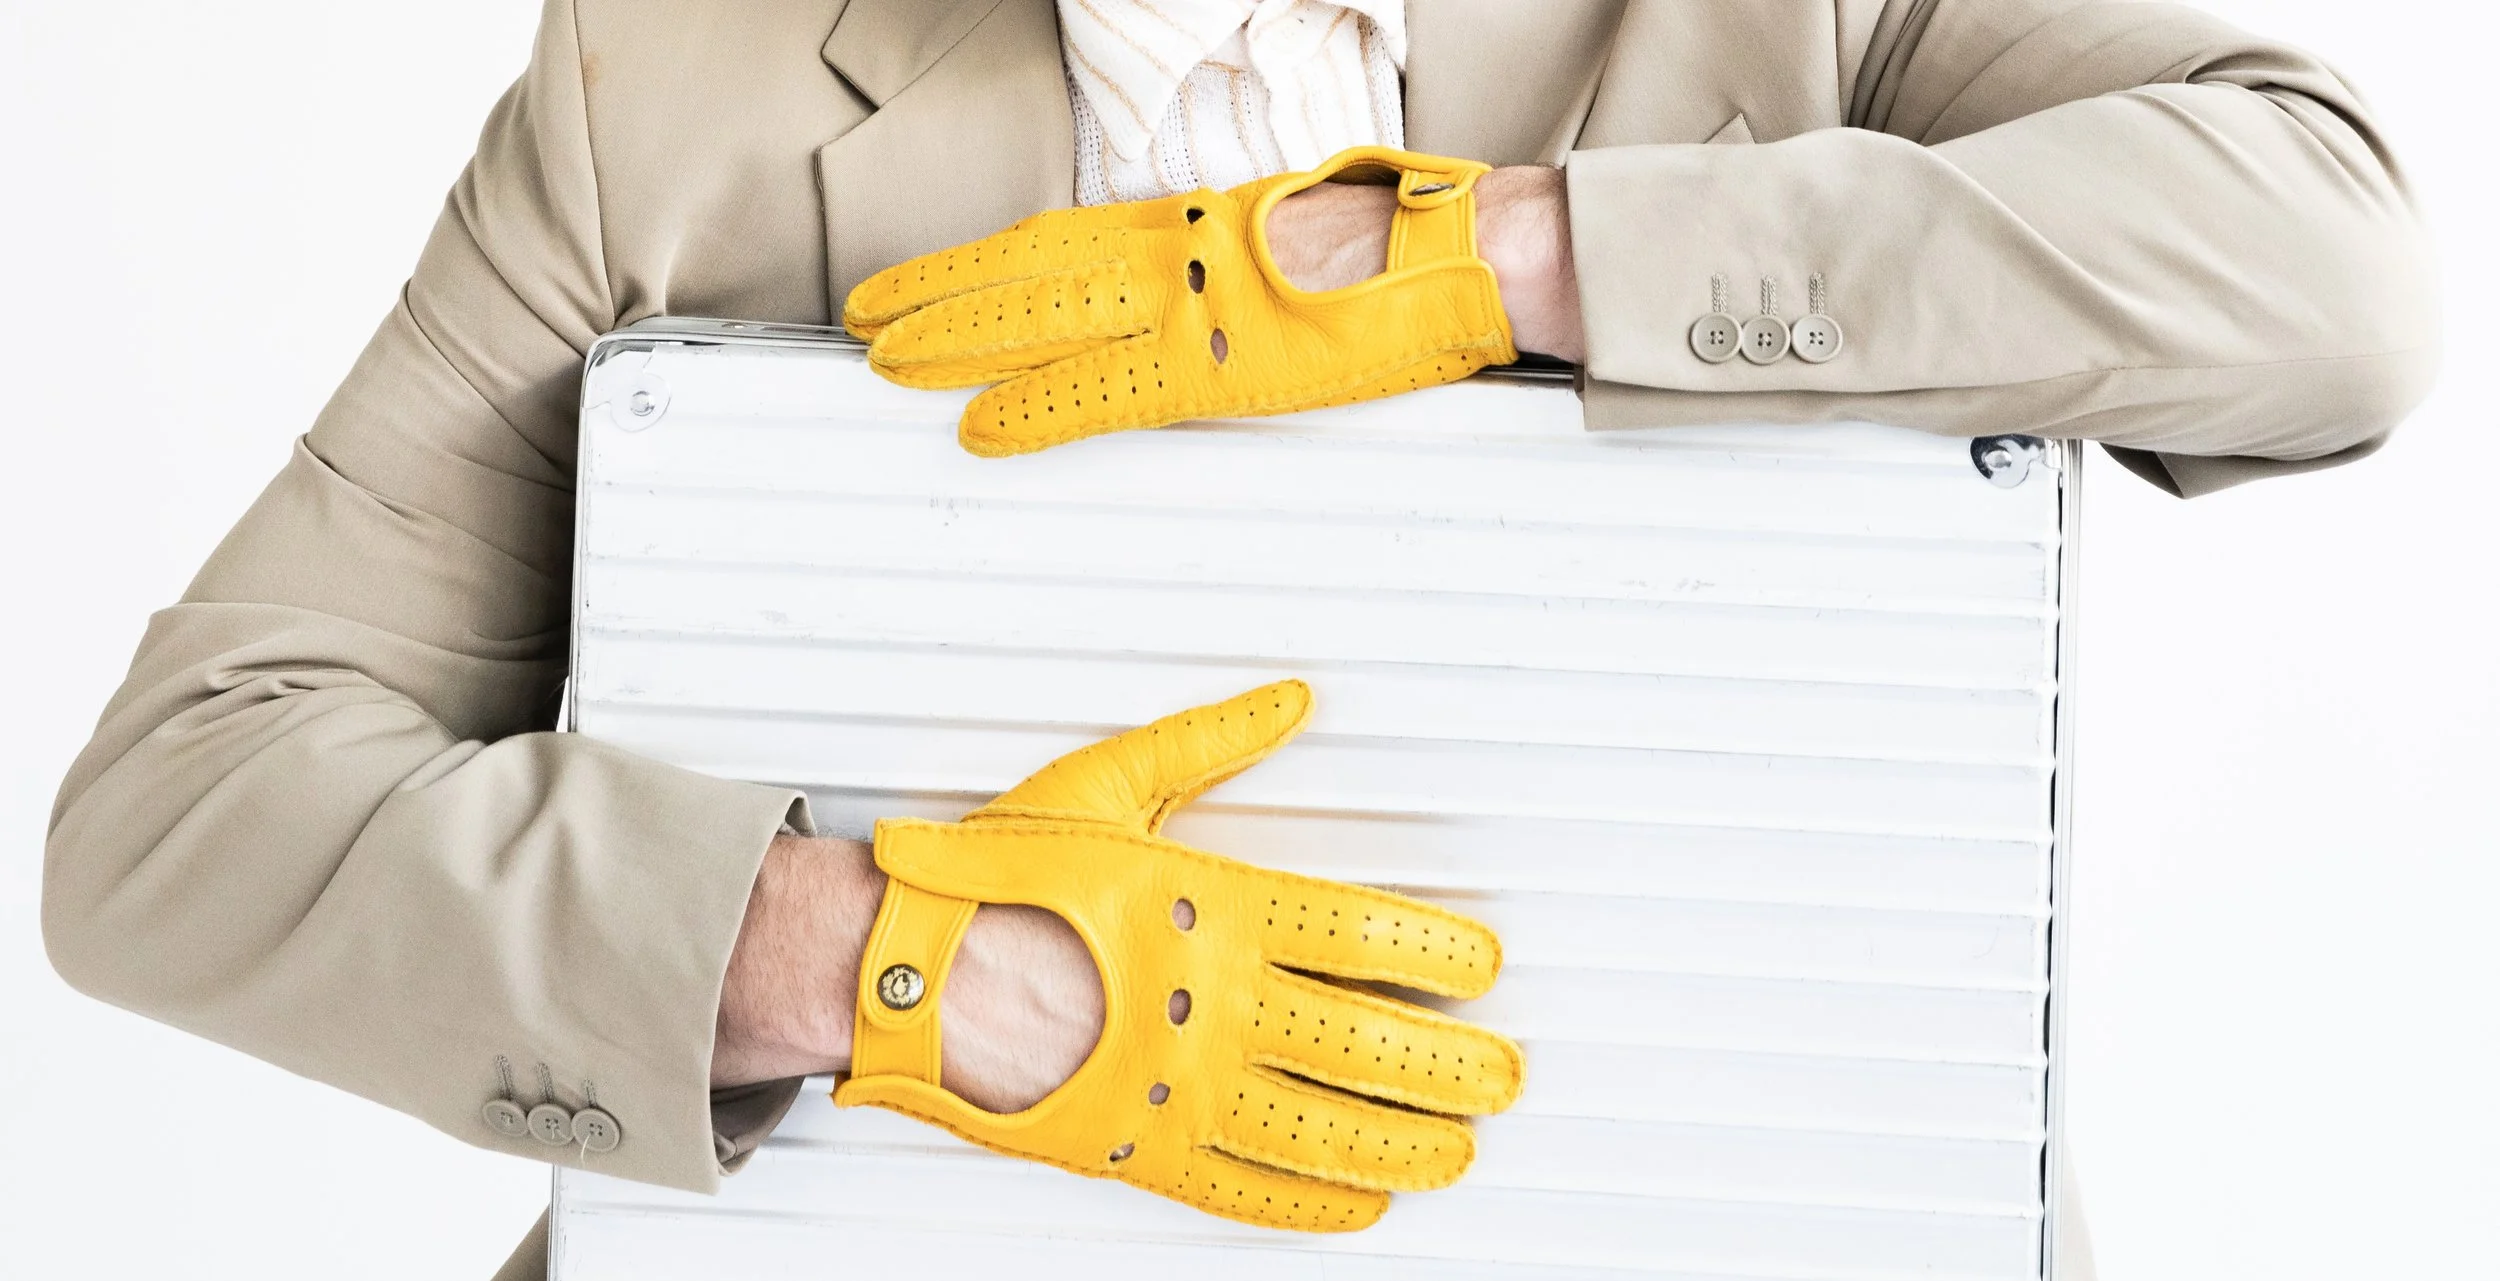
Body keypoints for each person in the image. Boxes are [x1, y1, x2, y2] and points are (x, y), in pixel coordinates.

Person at [43, 1, 2436, 1277]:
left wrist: (1499, 255)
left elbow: (2325, 265)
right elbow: (180, 804)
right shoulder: (655, 86)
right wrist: (877, 960)